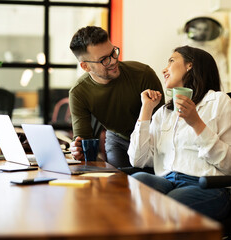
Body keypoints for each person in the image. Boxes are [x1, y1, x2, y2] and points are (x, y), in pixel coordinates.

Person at [127, 45, 231, 220]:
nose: (164, 69)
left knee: (168, 204)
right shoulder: (164, 112)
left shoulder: (219, 101)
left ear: (190, 65)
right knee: (137, 181)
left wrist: (196, 122)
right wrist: (146, 110)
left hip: (206, 186)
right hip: (167, 181)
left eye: (171, 61)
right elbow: (138, 159)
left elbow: (229, 163)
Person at [68, 26, 164, 168]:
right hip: (118, 139)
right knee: (118, 181)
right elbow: (84, 140)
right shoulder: (78, 92)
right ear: (85, 67)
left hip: (152, 138)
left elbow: (162, 123)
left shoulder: (143, 74)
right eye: (104, 60)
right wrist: (77, 149)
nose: (113, 61)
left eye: (113, 52)